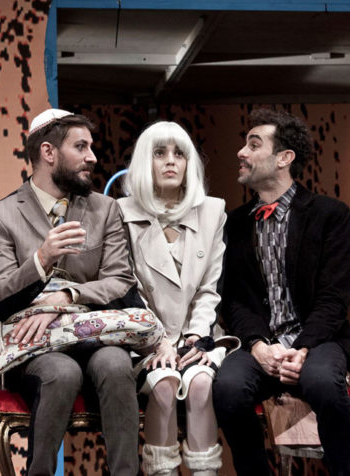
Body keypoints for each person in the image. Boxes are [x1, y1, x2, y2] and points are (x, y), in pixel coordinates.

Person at [0, 108, 147, 476]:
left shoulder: (105, 210)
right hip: (35, 348)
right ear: (48, 152)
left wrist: (66, 299)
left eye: (91, 147)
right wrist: (41, 258)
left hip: (97, 338)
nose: (93, 157)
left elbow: (120, 281)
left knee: (116, 363)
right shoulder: (0, 215)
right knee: (62, 371)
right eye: (81, 147)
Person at [213, 109, 350, 476]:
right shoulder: (233, 223)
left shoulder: (330, 214)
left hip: (317, 339)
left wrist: (302, 348)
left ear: (284, 158)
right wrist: (257, 346)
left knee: (322, 382)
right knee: (228, 387)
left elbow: (334, 299)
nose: (241, 153)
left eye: (254, 145)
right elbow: (233, 299)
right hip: (261, 343)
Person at [118, 121, 228, 476]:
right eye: (160, 153)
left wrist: (197, 335)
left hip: (198, 335)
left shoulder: (213, 211)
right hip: (145, 338)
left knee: (200, 384)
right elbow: (128, 288)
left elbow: (210, 287)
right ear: (144, 162)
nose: (171, 161)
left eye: (179, 153)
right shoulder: (121, 213)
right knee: (164, 384)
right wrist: (159, 341)